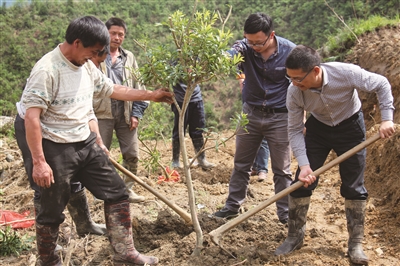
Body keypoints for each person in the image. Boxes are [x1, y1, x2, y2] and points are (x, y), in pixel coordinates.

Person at [16, 15, 173, 266]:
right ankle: (48, 260)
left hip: (81, 135)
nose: (95, 58)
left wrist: (151, 95)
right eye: (92, 52)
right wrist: (39, 162)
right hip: (50, 139)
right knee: (52, 205)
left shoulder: (86, 64)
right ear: (76, 43)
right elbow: (32, 119)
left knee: (117, 192)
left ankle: (125, 253)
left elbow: (112, 89)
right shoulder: (47, 70)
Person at [275, 45, 395, 265]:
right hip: (318, 130)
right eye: (289, 77)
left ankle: (355, 244)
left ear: (316, 71)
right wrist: (304, 165)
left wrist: (386, 118)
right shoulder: (294, 92)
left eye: (298, 78)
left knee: (353, 187)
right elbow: (293, 129)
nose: (294, 83)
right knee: (301, 184)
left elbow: (381, 84)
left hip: (351, 128)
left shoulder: (346, 73)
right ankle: (294, 237)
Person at [212, 12, 294, 224]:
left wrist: (300, 118)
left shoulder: (289, 52)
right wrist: (227, 54)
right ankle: (232, 206)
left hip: (280, 117)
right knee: (241, 164)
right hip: (251, 114)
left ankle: (286, 214)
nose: (254, 46)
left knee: (282, 170)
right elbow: (231, 54)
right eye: (250, 41)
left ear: (271, 35)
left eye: (259, 42)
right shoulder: (244, 47)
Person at [93, 17, 147, 203]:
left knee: (132, 154)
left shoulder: (129, 57)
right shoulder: (95, 56)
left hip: (125, 112)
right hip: (101, 113)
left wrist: (136, 113)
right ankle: (102, 193)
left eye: (120, 34)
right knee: (100, 154)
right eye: (113, 34)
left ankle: (127, 190)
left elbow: (139, 86)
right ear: (105, 34)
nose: (116, 38)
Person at [171, 82, 215, 170]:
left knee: (198, 130)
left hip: (196, 98)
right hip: (180, 99)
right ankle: (175, 161)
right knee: (179, 131)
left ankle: (201, 159)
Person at [238, 77, 270, 182]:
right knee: (250, 134)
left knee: (263, 136)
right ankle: (255, 167)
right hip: (250, 97)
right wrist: (242, 82)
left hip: (266, 99)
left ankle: (262, 169)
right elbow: (240, 72)